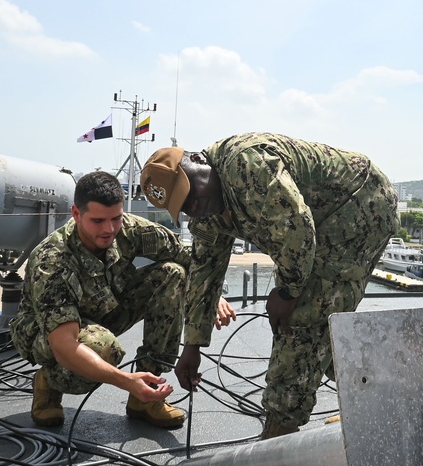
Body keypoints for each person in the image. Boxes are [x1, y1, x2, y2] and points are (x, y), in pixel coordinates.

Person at [140, 133, 399, 439]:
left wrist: (287, 291)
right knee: (324, 325)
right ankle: (382, 402)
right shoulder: (207, 210)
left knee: (303, 317)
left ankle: (279, 430)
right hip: (318, 227)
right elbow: (204, 273)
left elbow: (298, 229)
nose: (195, 206)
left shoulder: (245, 164)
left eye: (191, 192)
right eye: (184, 206)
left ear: (198, 160)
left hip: (360, 203)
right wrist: (192, 345)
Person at [9, 170, 236, 428]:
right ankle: (48, 382)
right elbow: (65, 345)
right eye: (97, 221)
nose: (109, 229)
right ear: (76, 214)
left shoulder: (128, 229)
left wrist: (211, 295)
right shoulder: (52, 260)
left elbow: (184, 254)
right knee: (102, 347)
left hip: (104, 308)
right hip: (48, 335)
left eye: (115, 218)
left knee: (174, 274)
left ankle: (148, 394)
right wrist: (124, 380)